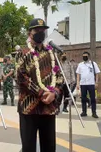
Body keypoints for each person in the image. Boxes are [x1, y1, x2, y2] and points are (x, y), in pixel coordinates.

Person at [16, 18, 64, 152]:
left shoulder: (52, 53)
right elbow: (21, 78)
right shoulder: (23, 53)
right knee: (28, 147)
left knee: (49, 147)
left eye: (43, 30)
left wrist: (54, 93)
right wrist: (42, 93)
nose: (40, 33)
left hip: (48, 108)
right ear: (29, 33)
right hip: (29, 108)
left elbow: (60, 77)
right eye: (37, 30)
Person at [76, 51, 100, 118]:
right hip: (83, 84)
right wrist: (78, 83)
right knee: (83, 98)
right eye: (83, 56)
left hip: (91, 83)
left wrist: (96, 82)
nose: (84, 57)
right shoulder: (80, 64)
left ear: (88, 56)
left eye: (85, 56)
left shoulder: (93, 64)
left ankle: (94, 112)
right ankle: (84, 112)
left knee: (93, 99)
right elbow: (78, 74)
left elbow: (97, 73)